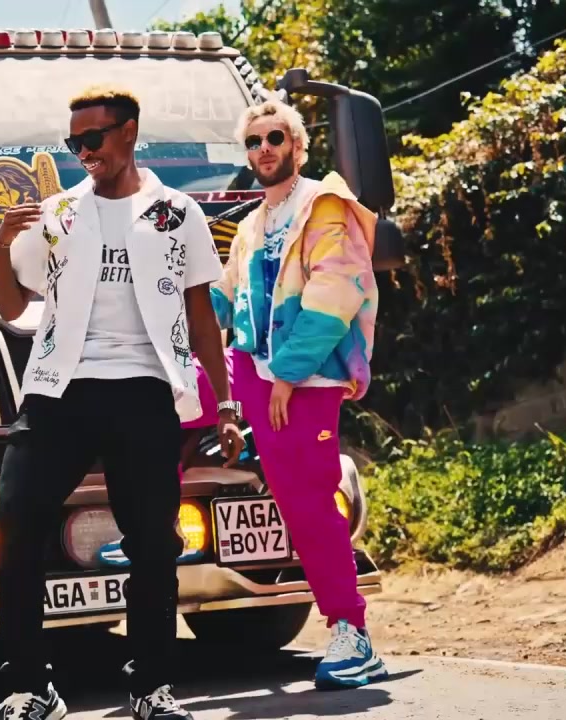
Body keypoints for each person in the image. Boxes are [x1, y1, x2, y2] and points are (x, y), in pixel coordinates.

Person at [0, 85, 244, 720]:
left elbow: (201, 313)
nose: (82, 152)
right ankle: (31, 687)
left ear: (129, 133)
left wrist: (226, 404)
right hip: (59, 390)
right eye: (72, 142)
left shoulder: (176, 213)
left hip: (145, 388)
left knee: (154, 542)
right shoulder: (58, 214)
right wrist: (1, 247)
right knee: (13, 527)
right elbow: (13, 308)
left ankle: (152, 689)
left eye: (92, 139)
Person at [211, 98, 387, 690]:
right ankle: (145, 538)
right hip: (255, 377)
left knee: (310, 501)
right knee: (290, 502)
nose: (264, 148)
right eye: (254, 141)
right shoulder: (250, 225)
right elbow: (226, 299)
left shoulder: (323, 205)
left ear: (298, 146)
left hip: (304, 381)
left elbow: (337, 291)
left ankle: (352, 631)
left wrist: (286, 374)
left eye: (275, 138)